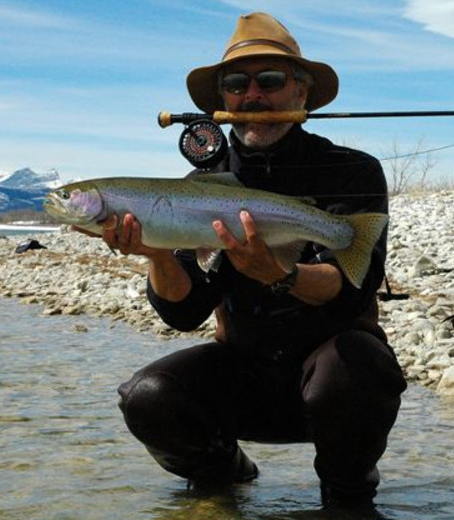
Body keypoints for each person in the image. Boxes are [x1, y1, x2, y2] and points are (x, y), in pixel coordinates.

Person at [88, 12, 406, 513]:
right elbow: (183, 311)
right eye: (236, 83)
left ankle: (347, 498)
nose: (252, 95)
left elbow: (352, 291)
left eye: (271, 81)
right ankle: (222, 486)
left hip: (331, 383)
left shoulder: (350, 170)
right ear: (223, 101)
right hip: (245, 378)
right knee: (146, 396)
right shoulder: (205, 185)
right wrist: (154, 253)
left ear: (301, 93)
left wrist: (281, 275)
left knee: (356, 367)